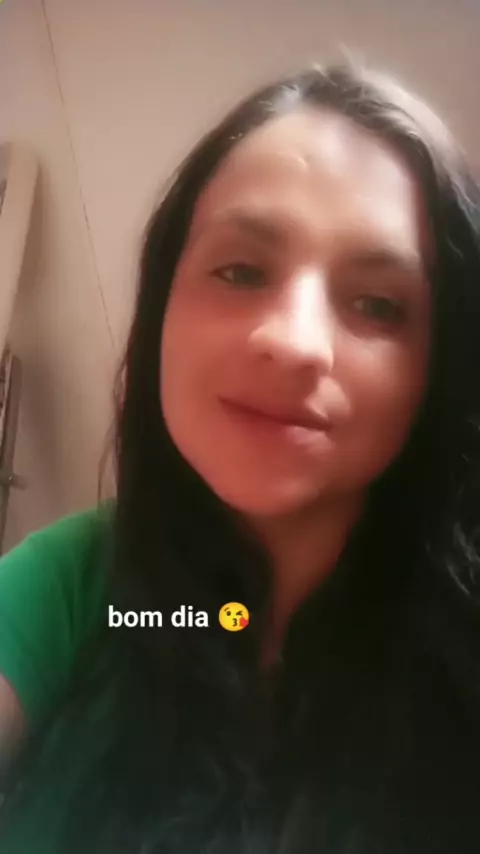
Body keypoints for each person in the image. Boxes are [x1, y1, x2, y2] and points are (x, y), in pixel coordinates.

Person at [0, 59, 480, 854]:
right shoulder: (73, 586)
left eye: (377, 304)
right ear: (162, 308)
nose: (293, 341)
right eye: (241, 270)